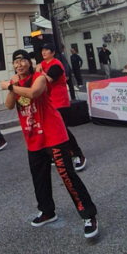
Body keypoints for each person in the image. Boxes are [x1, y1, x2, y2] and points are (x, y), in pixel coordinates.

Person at [1, 50, 98, 238]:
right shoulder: (14, 82)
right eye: (16, 62)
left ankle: (88, 215)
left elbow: (34, 92)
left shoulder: (39, 78)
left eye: (23, 61)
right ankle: (47, 212)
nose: (19, 64)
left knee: (67, 176)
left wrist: (10, 87)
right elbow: (9, 106)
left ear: (29, 63)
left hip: (53, 134)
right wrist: (12, 86)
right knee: (39, 178)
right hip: (33, 138)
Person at [37, 44, 87, 172]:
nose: (44, 52)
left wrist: (39, 72)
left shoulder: (56, 64)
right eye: (42, 50)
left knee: (62, 130)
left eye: (46, 50)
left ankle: (78, 154)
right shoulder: (42, 64)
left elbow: (46, 80)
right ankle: (61, 153)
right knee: (49, 130)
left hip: (60, 102)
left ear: (52, 52)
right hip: (48, 103)